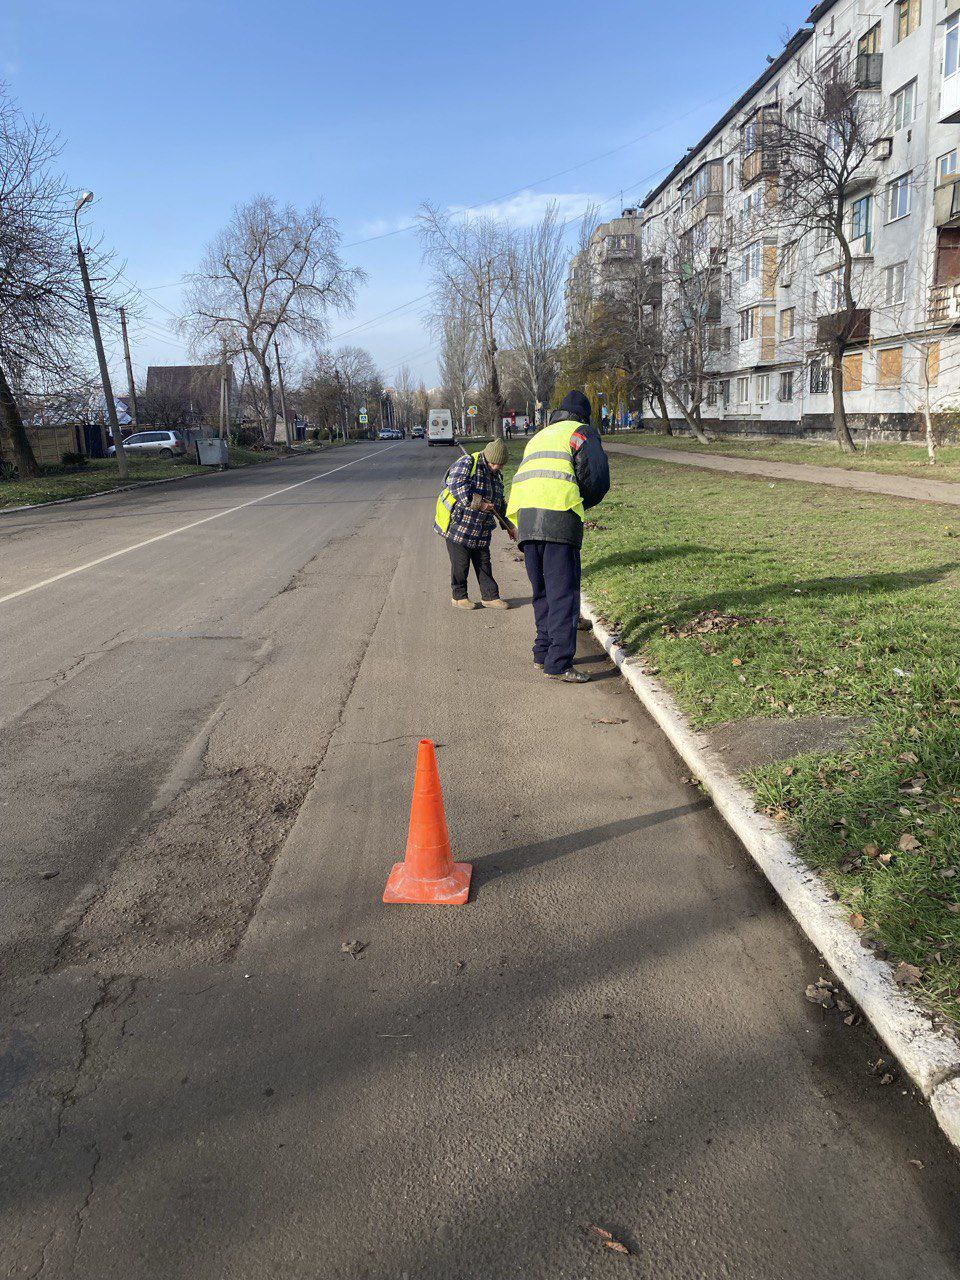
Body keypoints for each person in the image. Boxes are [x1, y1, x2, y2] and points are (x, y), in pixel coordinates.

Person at [506, 390, 610, 683]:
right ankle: (559, 663)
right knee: (563, 593)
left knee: (542, 593)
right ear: (583, 415)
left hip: (526, 520)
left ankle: (542, 652)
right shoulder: (580, 433)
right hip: (559, 518)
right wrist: (580, 502)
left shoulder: (539, 436)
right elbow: (597, 478)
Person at [434, 438, 516, 610]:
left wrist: (509, 525)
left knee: (484, 563)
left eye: (500, 465)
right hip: (459, 527)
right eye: (494, 463)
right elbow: (456, 486)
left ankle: (490, 597)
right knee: (460, 564)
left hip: (482, 529)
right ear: (487, 457)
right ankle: (459, 596)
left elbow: (499, 503)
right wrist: (481, 504)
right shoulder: (467, 462)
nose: (496, 467)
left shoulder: (497, 475)